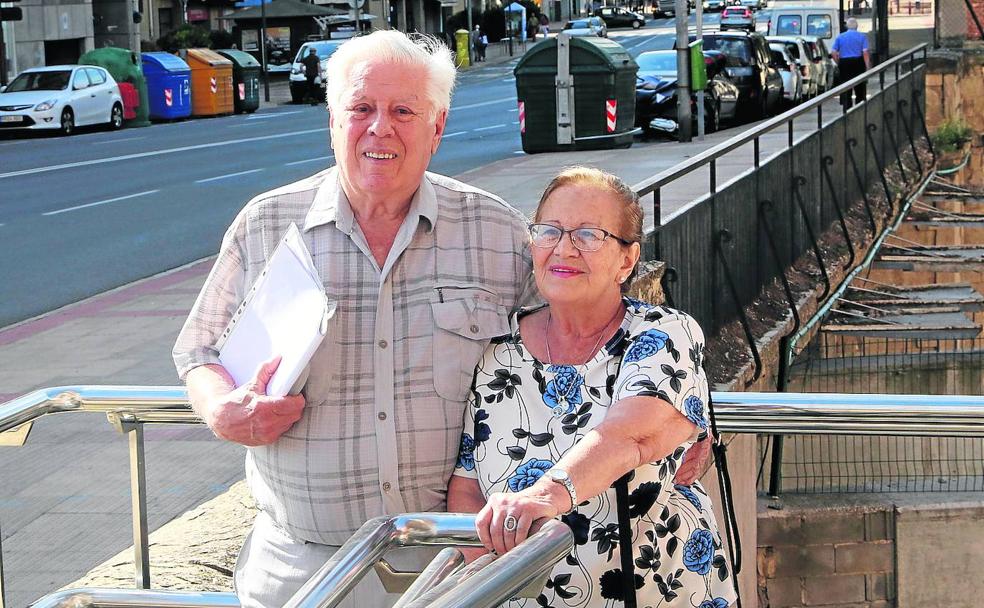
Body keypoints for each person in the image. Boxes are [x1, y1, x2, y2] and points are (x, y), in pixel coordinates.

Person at [172, 30, 538, 608]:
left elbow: (577, 343)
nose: (379, 128)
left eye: (402, 111)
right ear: (332, 121)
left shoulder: (498, 233)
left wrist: (674, 422)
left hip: (454, 565)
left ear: (437, 127)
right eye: (361, 108)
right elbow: (200, 352)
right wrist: (221, 410)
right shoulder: (268, 224)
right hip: (303, 570)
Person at [448, 167, 737, 608]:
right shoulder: (497, 355)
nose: (564, 248)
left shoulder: (662, 334)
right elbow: (468, 486)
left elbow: (630, 434)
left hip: (655, 590)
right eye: (550, 231)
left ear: (627, 259)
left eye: (588, 234)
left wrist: (543, 496)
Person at [831, 17, 871, 110]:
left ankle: (847, 109)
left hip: (844, 64)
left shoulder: (840, 37)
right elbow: (865, 52)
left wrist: (839, 62)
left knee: (846, 88)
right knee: (860, 87)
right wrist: (867, 66)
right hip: (858, 63)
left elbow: (833, 52)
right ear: (857, 27)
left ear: (846, 26)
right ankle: (859, 107)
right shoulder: (862, 36)